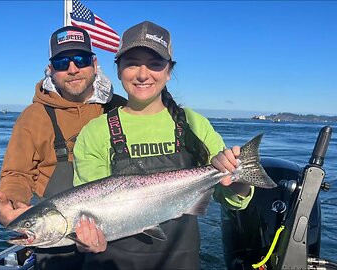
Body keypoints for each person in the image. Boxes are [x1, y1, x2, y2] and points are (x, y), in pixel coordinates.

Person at [72, 21, 254, 270]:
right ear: (118, 69)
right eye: (132, 63)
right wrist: (87, 239)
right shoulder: (96, 131)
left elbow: (233, 199)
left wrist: (238, 176)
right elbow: (88, 211)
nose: (143, 74)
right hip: (113, 261)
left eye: (155, 63)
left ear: (169, 71)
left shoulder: (193, 124)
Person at [0, 25, 126, 269]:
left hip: (120, 225)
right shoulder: (33, 117)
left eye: (81, 59)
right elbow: (17, 174)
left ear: (95, 64)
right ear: (50, 69)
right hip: (58, 241)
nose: (73, 69)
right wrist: (10, 205)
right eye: (62, 62)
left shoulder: (120, 108)